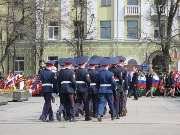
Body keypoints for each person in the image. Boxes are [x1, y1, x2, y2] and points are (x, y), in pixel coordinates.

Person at [57, 58, 77, 122]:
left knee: (63, 102)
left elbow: (58, 82)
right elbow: (73, 81)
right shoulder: (71, 72)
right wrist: (75, 88)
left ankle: (59, 111)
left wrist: (59, 90)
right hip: (69, 89)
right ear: (70, 65)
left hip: (62, 89)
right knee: (71, 103)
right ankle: (72, 117)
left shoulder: (60, 72)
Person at [74, 56, 92, 121]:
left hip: (77, 87)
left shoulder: (75, 71)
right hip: (84, 88)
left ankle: (72, 114)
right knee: (86, 102)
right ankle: (87, 116)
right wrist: (89, 83)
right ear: (84, 63)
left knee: (78, 101)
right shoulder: (85, 71)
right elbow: (87, 80)